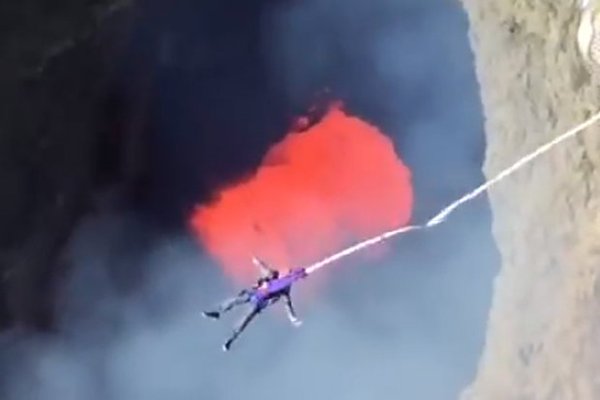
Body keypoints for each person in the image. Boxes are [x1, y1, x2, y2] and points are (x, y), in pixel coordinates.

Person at [202, 256, 306, 351]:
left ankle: (230, 339)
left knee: (243, 321)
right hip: (253, 294)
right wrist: (258, 262)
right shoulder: (274, 275)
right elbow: (266, 269)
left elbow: (287, 303)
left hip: (258, 304)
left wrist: (292, 317)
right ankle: (217, 312)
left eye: (287, 273)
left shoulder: (284, 288)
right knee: (234, 301)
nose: (283, 274)